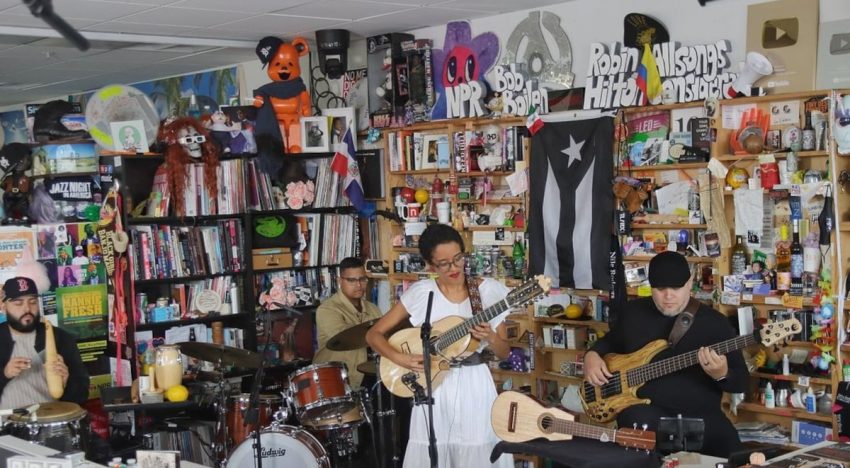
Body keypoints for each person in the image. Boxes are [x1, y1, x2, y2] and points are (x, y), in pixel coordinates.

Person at [366, 224, 514, 468]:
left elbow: (504, 352)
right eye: (444, 263)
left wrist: (490, 338)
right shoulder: (422, 293)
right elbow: (374, 335)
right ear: (430, 265)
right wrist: (400, 358)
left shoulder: (488, 291)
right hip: (433, 385)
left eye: (458, 258)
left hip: (474, 385)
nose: (454, 268)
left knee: (477, 451)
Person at [583, 251, 747, 458]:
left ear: (689, 284)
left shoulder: (715, 323)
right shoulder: (633, 313)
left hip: (700, 419)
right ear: (650, 286)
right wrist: (592, 355)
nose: (668, 296)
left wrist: (722, 374)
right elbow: (610, 342)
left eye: (676, 288)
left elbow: (741, 382)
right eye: (660, 289)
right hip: (645, 417)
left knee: (738, 458)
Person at [0, 276, 89, 408]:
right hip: (6, 424)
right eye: (18, 303)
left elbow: (81, 396)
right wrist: (4, 374)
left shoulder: (61, 338)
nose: (27, 309)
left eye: (33, 302)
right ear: (3, 306)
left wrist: (66, 383)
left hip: (51, 422)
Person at [313, 257, 382, 389]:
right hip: (338, 380)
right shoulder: (327, 309)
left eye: (362, 279)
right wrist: (376, 333)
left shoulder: (373, 309)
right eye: (351, 280)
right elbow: (346, 336)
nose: (358, 285)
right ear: (339, 281)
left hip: (370, 375)